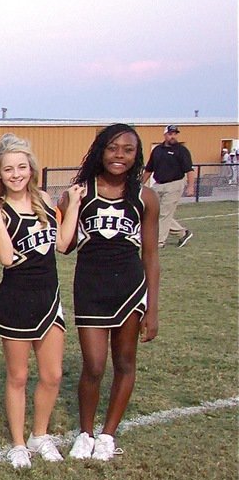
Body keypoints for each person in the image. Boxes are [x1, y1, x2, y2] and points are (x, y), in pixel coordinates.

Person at [62, 124, 159, 461]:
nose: (119, 156)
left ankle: (107, 434)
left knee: (125, 362)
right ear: (100, 150)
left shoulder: (145, 197)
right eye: (113, 148)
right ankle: (85, 433)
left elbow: (150, 254)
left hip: (130, 288)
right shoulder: (79, 192)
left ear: (137, 155)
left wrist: (154, 308)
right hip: (90, 286)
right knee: (93, 365)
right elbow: (66, 245)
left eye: (128, 150)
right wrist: (70, 207)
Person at [0, 136, 75, 468]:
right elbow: (6, 257)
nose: (17, 174)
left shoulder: (46, 200)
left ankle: (40, 434)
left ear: (32, 168)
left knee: (52, 374)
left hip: (49, 298)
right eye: (9, 169)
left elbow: (63, 244)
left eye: (22, 167)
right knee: (18, 376)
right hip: (16, 300)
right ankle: (19, 443)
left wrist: (73, 204)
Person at [142, 126, 194, 248]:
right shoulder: (157, 150)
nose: (173, 136)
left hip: (174, 184)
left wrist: (190, 186)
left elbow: (189, 170)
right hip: (158, 185)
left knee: (163, 213)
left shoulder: (182, 150)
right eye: (170, 134)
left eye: (175, 134)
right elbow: (149, 169)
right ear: (165, 135)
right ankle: (183, 233)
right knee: (152, 212)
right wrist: (140, 184)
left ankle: (159, 242)